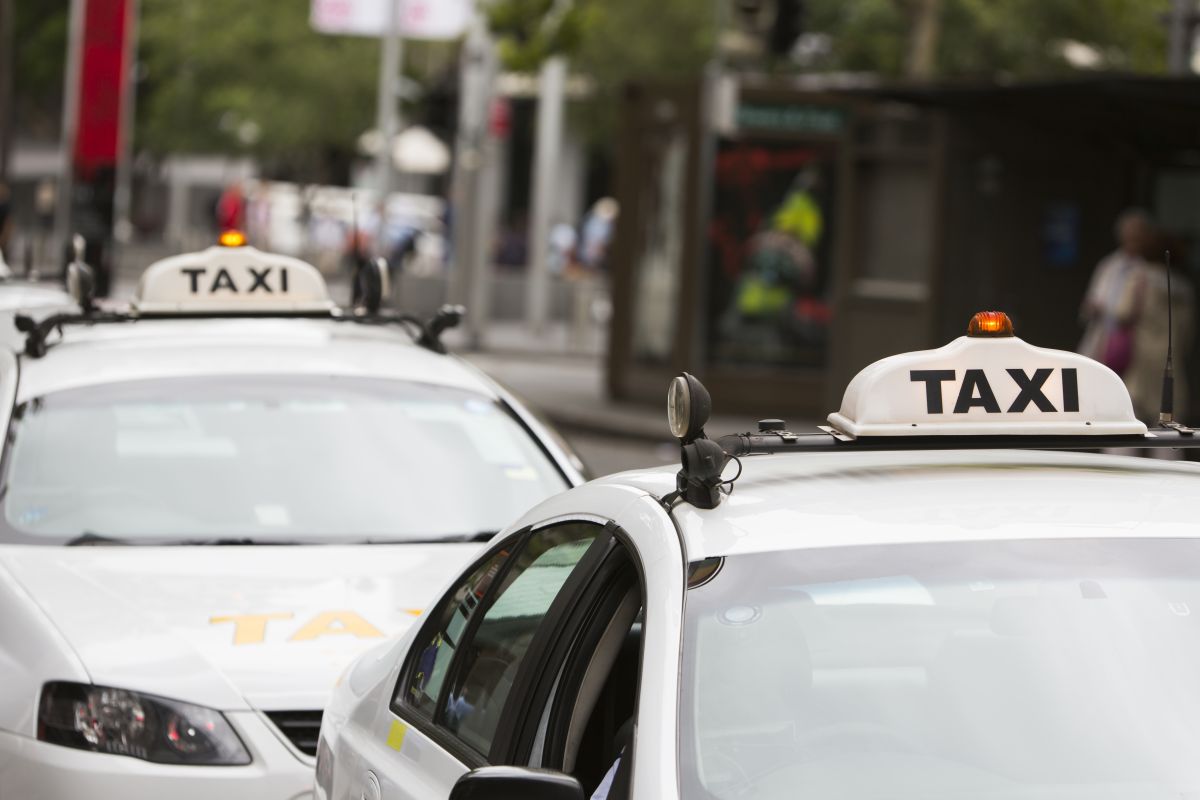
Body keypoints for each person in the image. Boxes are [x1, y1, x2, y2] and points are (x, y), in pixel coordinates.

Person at [1079, 209, 1154, 378]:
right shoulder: (1108, 265)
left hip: (1135, 347)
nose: (1132, 240)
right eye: (1128, 235)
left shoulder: (1149, 270)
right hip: (1102, 340)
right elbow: (1091, 301)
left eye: (1137, 236)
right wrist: (1093, 308)